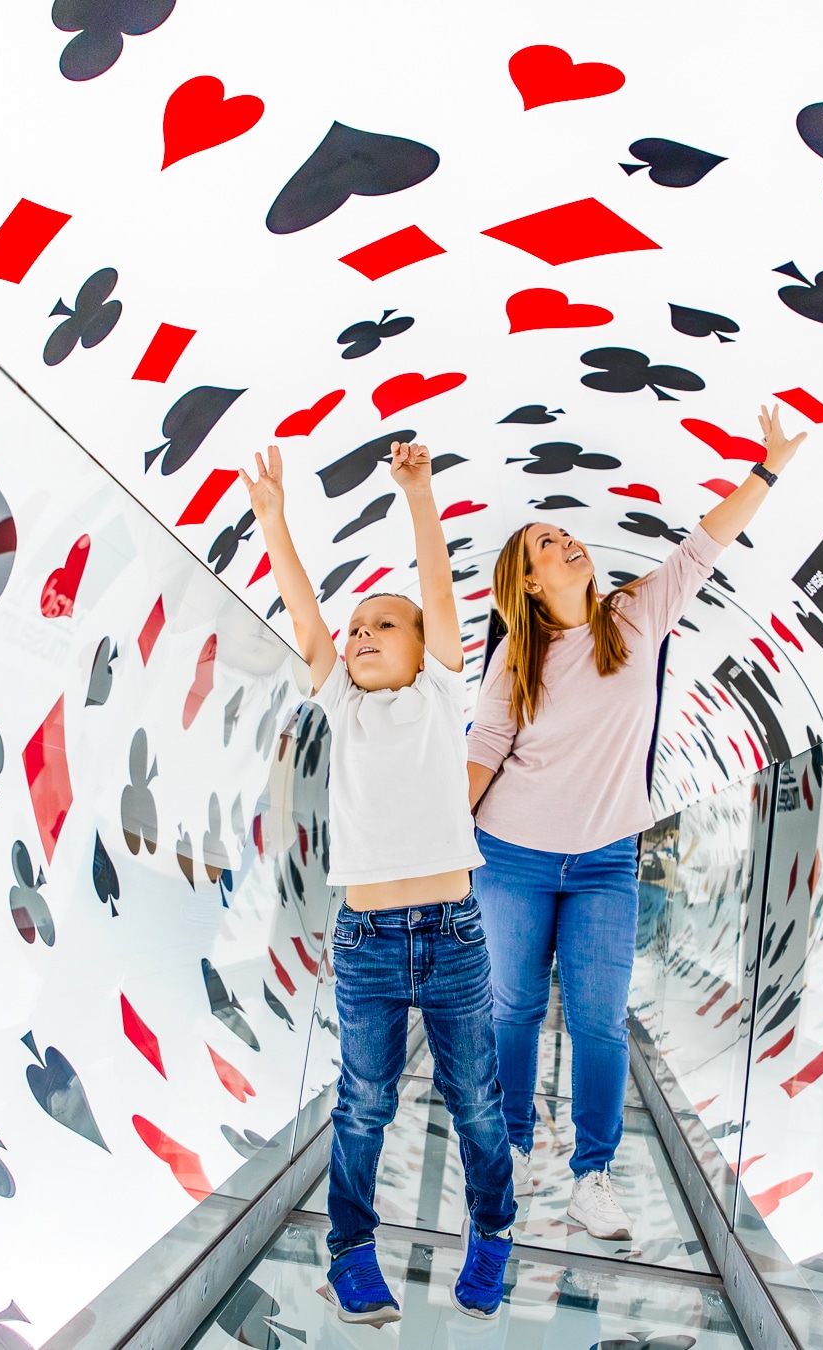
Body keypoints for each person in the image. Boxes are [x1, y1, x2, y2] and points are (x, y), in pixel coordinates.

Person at [466, 405, 807, 1240]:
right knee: (510, 1008)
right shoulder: (518, 653)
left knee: (598, 1018)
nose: (564, 544)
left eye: (563, 535)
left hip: (608, 861)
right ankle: (507, 1156)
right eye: (543, 546)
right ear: (529, 583)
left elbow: (703, 547)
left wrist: (766, 468)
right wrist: (443, 851)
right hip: (510, 855)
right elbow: (483, 753)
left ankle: (592, 1178)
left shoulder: (635, 618)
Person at [241, 441, 516, 1324]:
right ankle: (351, 1252)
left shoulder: (440, 694)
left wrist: (420, 494)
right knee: (363, 1105)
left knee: (476, 1102)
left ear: (424, 648)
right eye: (356, 630)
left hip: (452, 935)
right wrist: (274, 520)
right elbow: (305, 614)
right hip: (362, 943)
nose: (359, 637)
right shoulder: (343, 706)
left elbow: (439, 592)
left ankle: (494, 1231)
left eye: (381, 626)